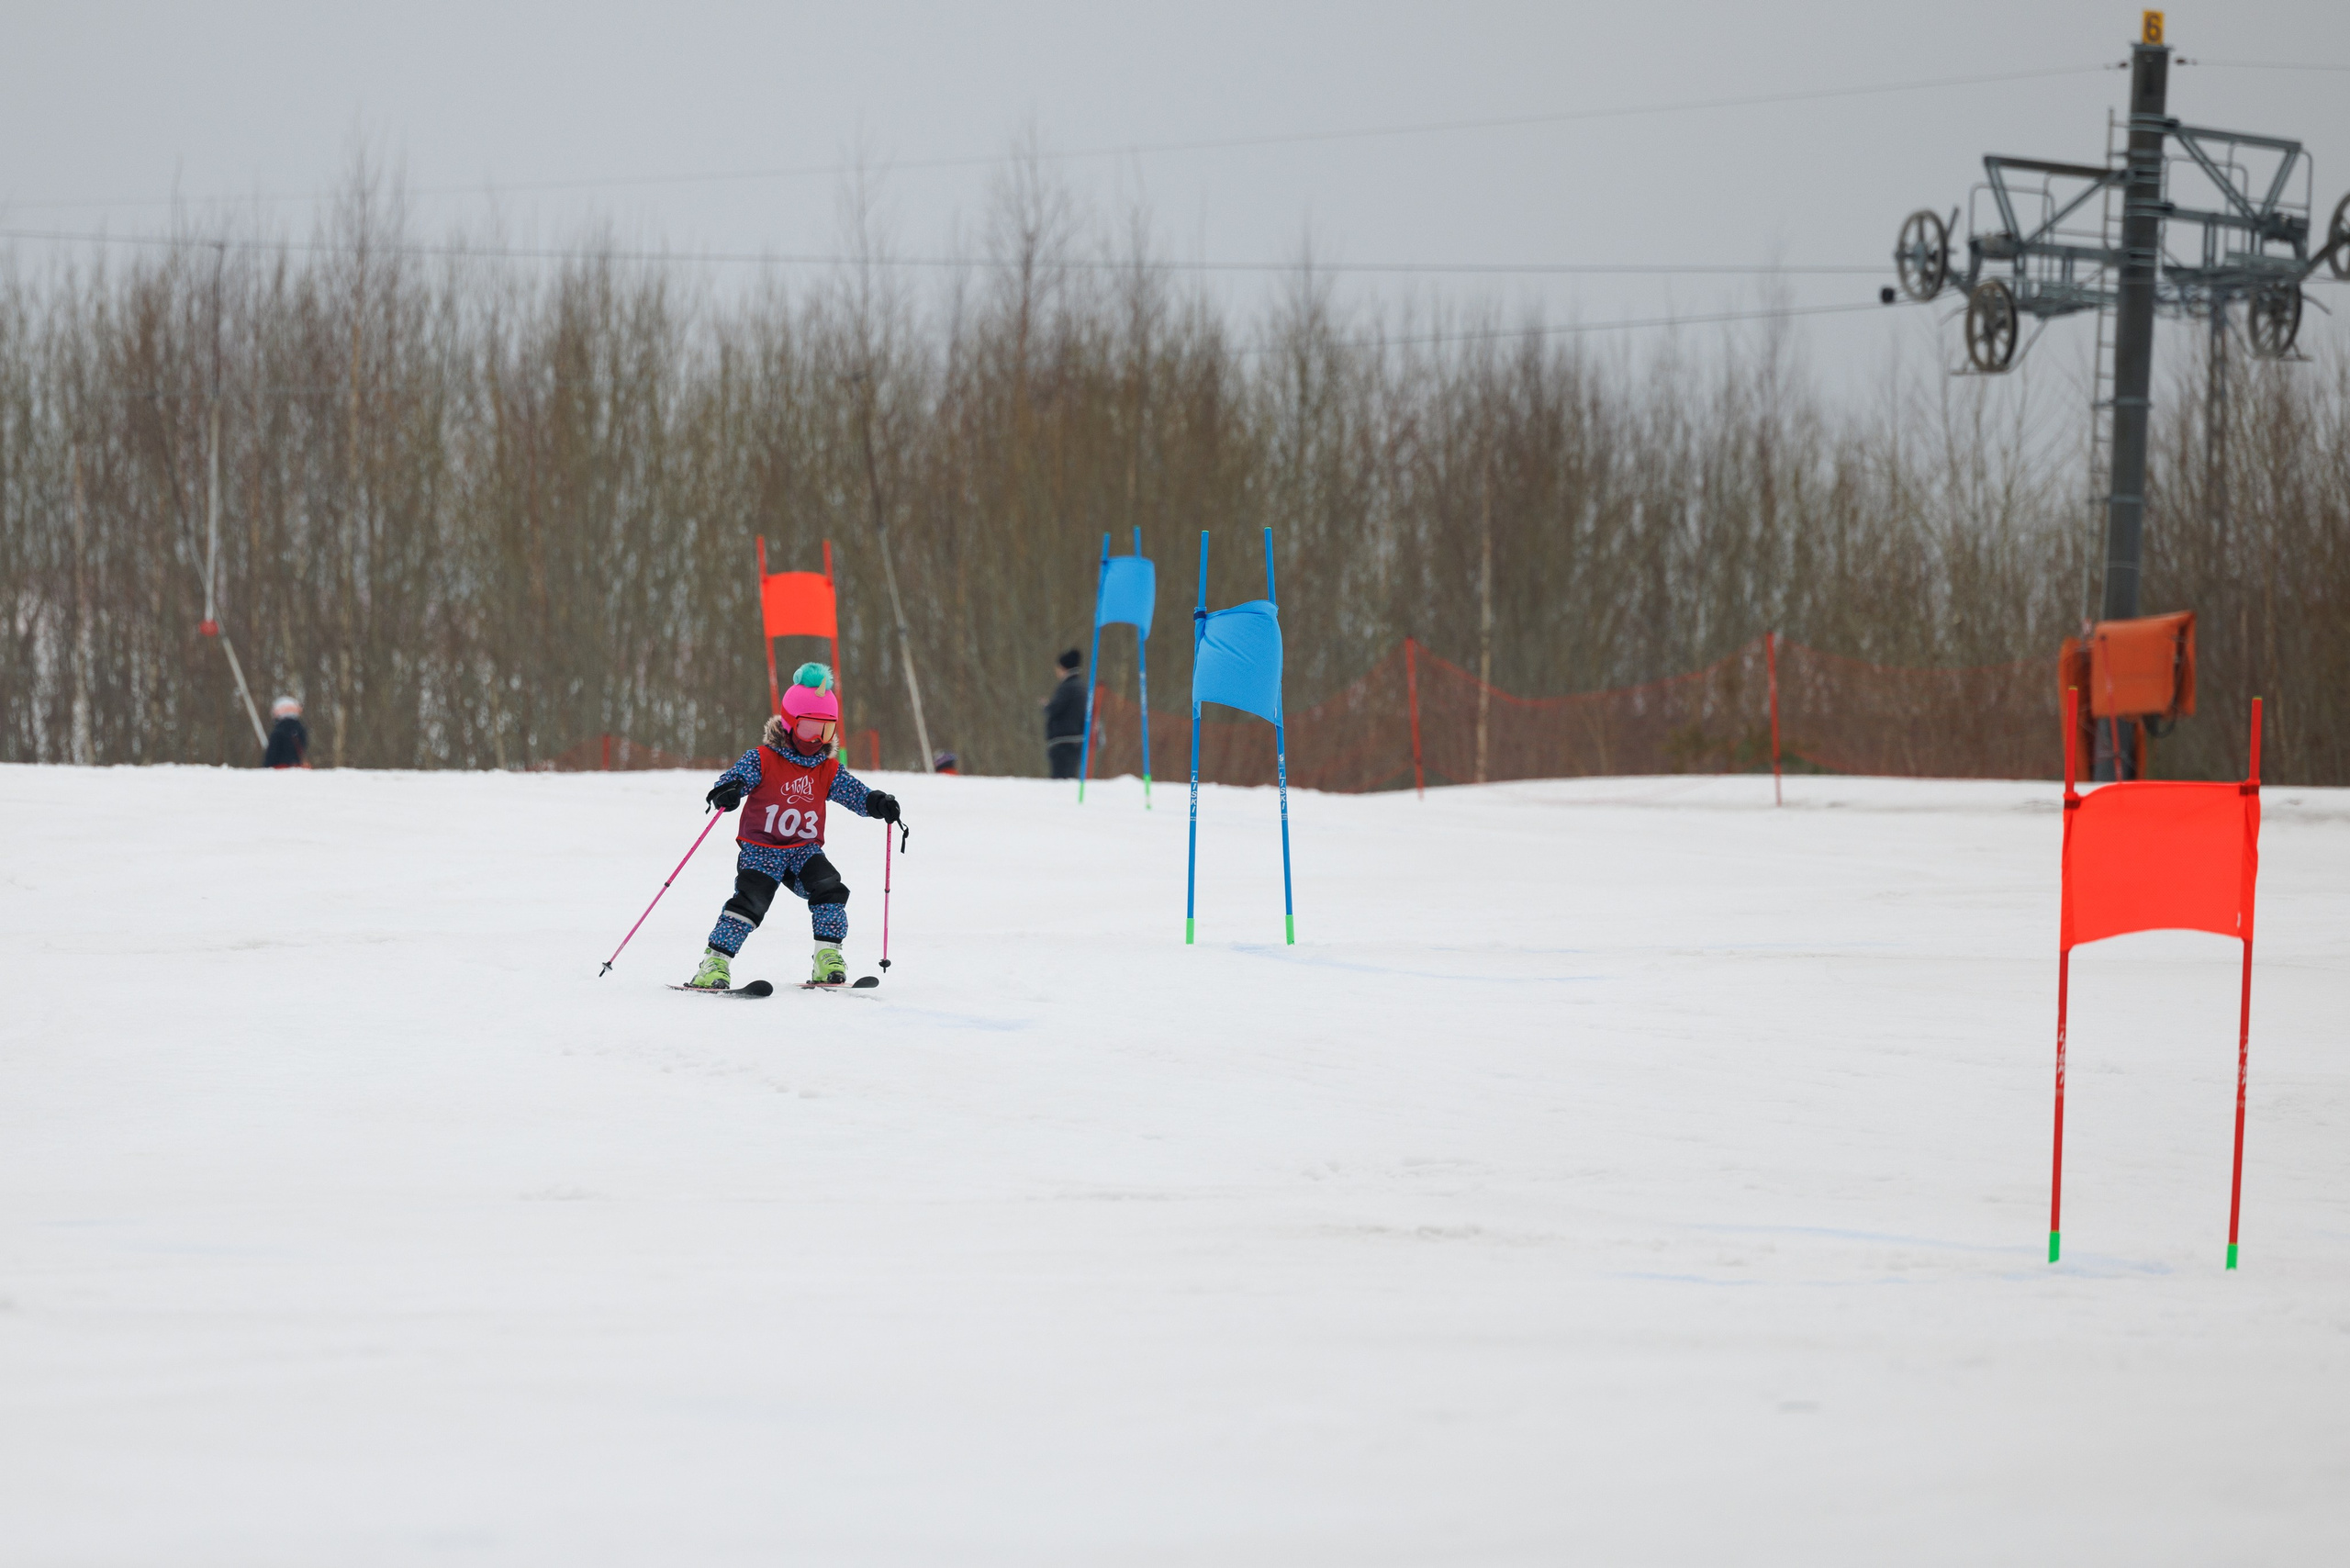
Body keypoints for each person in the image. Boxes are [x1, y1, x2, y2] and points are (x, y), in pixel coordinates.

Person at [685, 675, 901, 991]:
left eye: (825, 730)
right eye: (808, 728)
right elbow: (737, 777)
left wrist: (877, 803)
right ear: (788, 724)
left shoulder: (826, 768)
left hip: (803, 849)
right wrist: (728, 790)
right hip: (762, 848)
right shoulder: (763, 758)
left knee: (829, 888)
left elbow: (853, 792)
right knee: (752, 900)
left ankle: (827, 958)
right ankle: (714, 963)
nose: (816, 739)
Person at [1044, 648, 1086, 778]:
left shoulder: (1067, 687)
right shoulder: (1081, 686)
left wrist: (1047, 706)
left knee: (1060, 781)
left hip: (1063, 741)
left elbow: (1055, 708)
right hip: (1077, 741)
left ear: (1063, 668)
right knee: (1069, 779)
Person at [263, 697, 309, 769]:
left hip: (278, 769)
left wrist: (266, 767)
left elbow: (272, 754)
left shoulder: (278, 731)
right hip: (296, 768)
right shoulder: (300, 730)